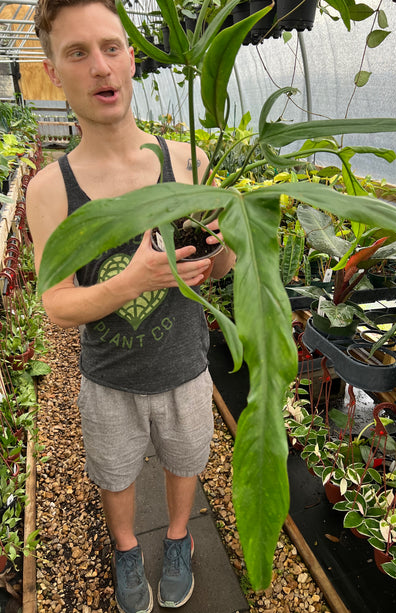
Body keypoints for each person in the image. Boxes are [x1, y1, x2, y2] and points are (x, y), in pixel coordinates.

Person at [27, 1, 235, 611]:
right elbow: (59, 308)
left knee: (185, 459)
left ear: (132, 58)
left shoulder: (186, 161)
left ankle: (177, 539)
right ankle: (124, 547)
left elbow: (218, 271)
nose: (100, 67)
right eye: (77, 53)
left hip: (185, 367)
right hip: (110, 378)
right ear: (53, 71)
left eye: (111, 47)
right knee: (116, 474)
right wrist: (139, 279)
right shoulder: (51, 189)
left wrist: (218, 253)